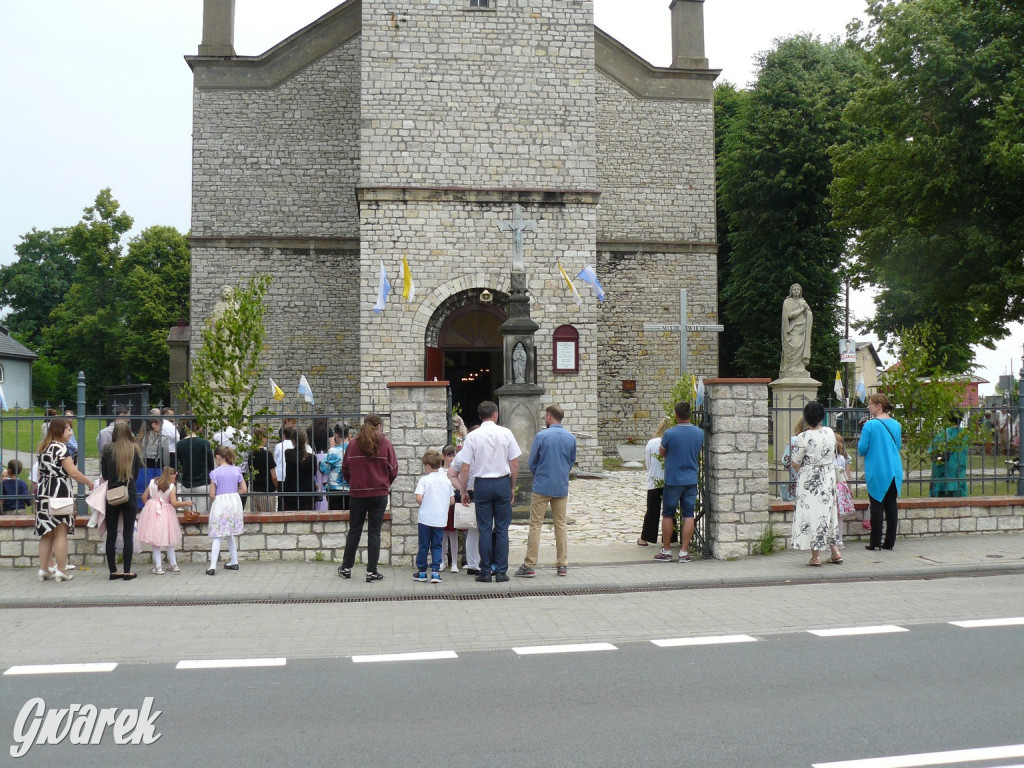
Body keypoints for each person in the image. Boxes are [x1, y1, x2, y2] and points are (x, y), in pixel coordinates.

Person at [457, 401, 521, 583]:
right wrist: (511, 486)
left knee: (484, 529)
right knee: (502, 529)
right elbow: (514, 463)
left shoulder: (473, 436)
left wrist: (463, 490)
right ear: (495, 414)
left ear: (480, 416)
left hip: (482, 484)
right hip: (501, 482)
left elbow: (465, 466)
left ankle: (484, 571)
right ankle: (501, 571)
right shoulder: (506, 433)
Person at [516, 404, 577, 578]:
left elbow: (532, 461)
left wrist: (539, 474)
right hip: (560, 484)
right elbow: (571, 461)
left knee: (536, 524)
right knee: (560, 524)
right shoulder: (570, 438)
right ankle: (562, 564)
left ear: (550, 416)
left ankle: (530, 564)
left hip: (542, 484)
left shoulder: (541, 436)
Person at [339, 414, 398, 583]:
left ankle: (346, 567)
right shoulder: (385, 444)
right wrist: (385, 483)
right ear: (379, 426)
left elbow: (345, 469)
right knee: (374, 532)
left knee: (354, 530)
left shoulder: (352, 444)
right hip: (379, 494)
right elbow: (393, 470)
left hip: (358, 493)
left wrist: (354, 483)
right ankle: (372, 571)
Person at [34, 419, 94, 582]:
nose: (71, 433)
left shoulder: (43, 448)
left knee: (46, 534)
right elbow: (72, 472)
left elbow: (40, 473)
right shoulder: (61, 448)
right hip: (59, 492)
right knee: (61, 532)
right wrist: (88, 482)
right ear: (60, 431)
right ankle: (61, 570)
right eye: (68, 430)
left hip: (43, 492)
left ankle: (44, 569)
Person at [790, 401, 843, 566]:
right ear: (822, 417)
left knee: (812, 515)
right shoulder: (829, 432)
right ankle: (835, 551)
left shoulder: (803, 437)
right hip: (827, 477)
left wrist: (805, 473)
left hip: (810, 481)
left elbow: (795, 461)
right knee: (828, 513)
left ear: (806, 417)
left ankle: (816, 556)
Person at [654, 401, 703, 563]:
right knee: (689, 515)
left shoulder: (670, 434)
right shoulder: (699, 433)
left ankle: (667, 551)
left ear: (676, 415)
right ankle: (684, 552)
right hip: (690, 479)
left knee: (668, 514)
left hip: (673, 479)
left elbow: (662, 452)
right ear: (689, 414)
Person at [858, 393, 903, 551]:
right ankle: (889, 542)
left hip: (877, 468)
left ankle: (875, 541)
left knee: (877, 504)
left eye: (870, 404)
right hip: (894, 469)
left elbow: (862, 448)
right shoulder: (896, 424)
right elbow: (898, 446)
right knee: (891, 505)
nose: (868, 406)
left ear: (878, 406)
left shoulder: (870, 425)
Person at [101, 421, 143, 580]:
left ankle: (113, 571)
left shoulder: (107, 450)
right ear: (128, 433)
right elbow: (137, 474)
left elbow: (104, 473)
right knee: (127, 533)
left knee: (111, 534)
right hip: (129, 493)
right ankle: (127, 571)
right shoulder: (134, 450)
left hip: (112, 493)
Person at [138, 467, 192, 574]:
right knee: (169, 537)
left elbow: (144, 497)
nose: (175, 480)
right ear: (172, 476)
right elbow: (174, 503)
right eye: (175, 477)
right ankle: (174, 564)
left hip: (153, 512)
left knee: (155, 540)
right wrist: (186, 503)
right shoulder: (171, 487)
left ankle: (158, 567)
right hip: (166, 513)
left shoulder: (153, 482)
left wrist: (149, 506)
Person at [413, 450, 454, 583]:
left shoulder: (424, 480)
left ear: (429, 465)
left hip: (425, 518)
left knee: (424, 545)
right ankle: (435, 572)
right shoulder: (446, 481)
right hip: (440, 519)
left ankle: (422, 571)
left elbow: (418, 498)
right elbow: (452, 500)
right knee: (437, 545)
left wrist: (426, 502)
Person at [206, 445, 246, 575]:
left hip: (221, 503)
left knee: (218, 534)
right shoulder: (237, 470)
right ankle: (234, 561)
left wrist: (219, 497)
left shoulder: (215, 473)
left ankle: (212, 566)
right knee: (229, 533)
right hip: (234, 503)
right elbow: (244, 489)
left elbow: (212, 494)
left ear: (218, 456)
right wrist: (233, 493)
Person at [638, 417, 673, 546]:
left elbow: (648, 462)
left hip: (654, 479)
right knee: (670, 511)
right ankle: (670, 538)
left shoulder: (652, 443)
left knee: (652, 510)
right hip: (669, 479)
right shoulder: (673, 441)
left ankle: (645, 537)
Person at [176, 420, 215, 515]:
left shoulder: (180, 444)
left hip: (187, 482)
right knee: (202, 515)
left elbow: (180, 461)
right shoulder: (204, 443)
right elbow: (211, 464)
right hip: (203, 482)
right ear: (199, 428)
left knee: (189, 515)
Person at [136, 409, 172, 508]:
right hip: (156, 472)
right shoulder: (162, 439)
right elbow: (166, 460)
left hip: (140, 472)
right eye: (161, 425)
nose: (161, 428)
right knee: (156, 501)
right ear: (154, 424)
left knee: (140, 501)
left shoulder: (138, 439)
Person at [929, 412, 968, 498]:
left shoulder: (944, 433)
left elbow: (932, 451)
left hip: (944, 474)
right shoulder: (964, 434)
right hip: (959, 473)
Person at [780, 282, 813, 376]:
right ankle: (790, 367)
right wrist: (801, 309)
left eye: (798, 289)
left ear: (800, 291)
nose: (796, 291)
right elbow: (789, 315)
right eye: (794, 289)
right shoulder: (788, 302)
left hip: (802, 329)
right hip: (792, 329)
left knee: (801, 348)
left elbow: (809, 314)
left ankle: (800, 367)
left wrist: (807, 312)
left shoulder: (803, 302)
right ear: (791, 291)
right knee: (794, 345)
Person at [281, 430, 316, 511]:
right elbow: (313, 473)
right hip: (307, 494)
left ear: (293, 441)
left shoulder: (288, 453)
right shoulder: (312, 458)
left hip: (290, 493)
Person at [319, 423, 350, 511]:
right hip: (350, 488)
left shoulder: (333, 451)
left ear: (336, 435)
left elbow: (324, 468)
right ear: (349, 434)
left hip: (334, 488)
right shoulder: (354, 449)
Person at [248, 427, 278, 513]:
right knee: (269, 520)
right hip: (267, 492)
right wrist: (277, 487)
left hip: (255, 491)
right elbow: (274, 476)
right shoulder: (267, 454)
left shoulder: (251, 455)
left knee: (256, 521)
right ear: (262, 438)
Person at [440, 445, 460, 572]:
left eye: (453, 455)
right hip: (443, 504)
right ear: (443, 456)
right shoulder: (440, 471)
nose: (451, 458)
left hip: (454, 503)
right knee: (443, 535)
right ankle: (442, 561)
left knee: (453, 534)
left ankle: (454, 563)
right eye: (449, 455)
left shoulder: (456, 471)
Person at [834, 432, 854, 545]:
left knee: (831, 516)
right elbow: (847, 474)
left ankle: (831, 540)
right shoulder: (843, 458)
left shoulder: (830, 459)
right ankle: (839, 540)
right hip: (841, 488)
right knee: (840, 516)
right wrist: (849, 489)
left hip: (833, 488)